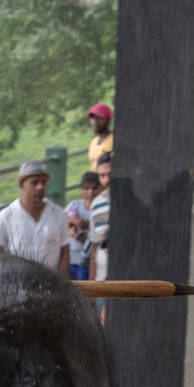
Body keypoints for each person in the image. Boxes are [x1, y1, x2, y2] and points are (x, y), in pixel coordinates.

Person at [0, 161, 69, 272]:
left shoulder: (58, 214)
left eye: (44, 182)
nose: (40, 187)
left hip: (51, 282)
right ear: (21, 185)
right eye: (34, 182)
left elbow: (65, 251)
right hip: (16, 282)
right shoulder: (5, 217)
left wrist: (60, 282)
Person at [88, 152, 111, 284]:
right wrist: (91, 286)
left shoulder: (133, 200)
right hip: (101, 281)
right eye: (102, 175)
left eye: (110, 174)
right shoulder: (96, 204)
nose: (106, 180)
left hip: (126, 280)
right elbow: (94, 245)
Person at [86, 103, 114, 167]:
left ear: (108, 120)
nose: (95, 121)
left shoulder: (114, 140)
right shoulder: (93, 142)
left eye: (99, 118)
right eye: (92, 118)